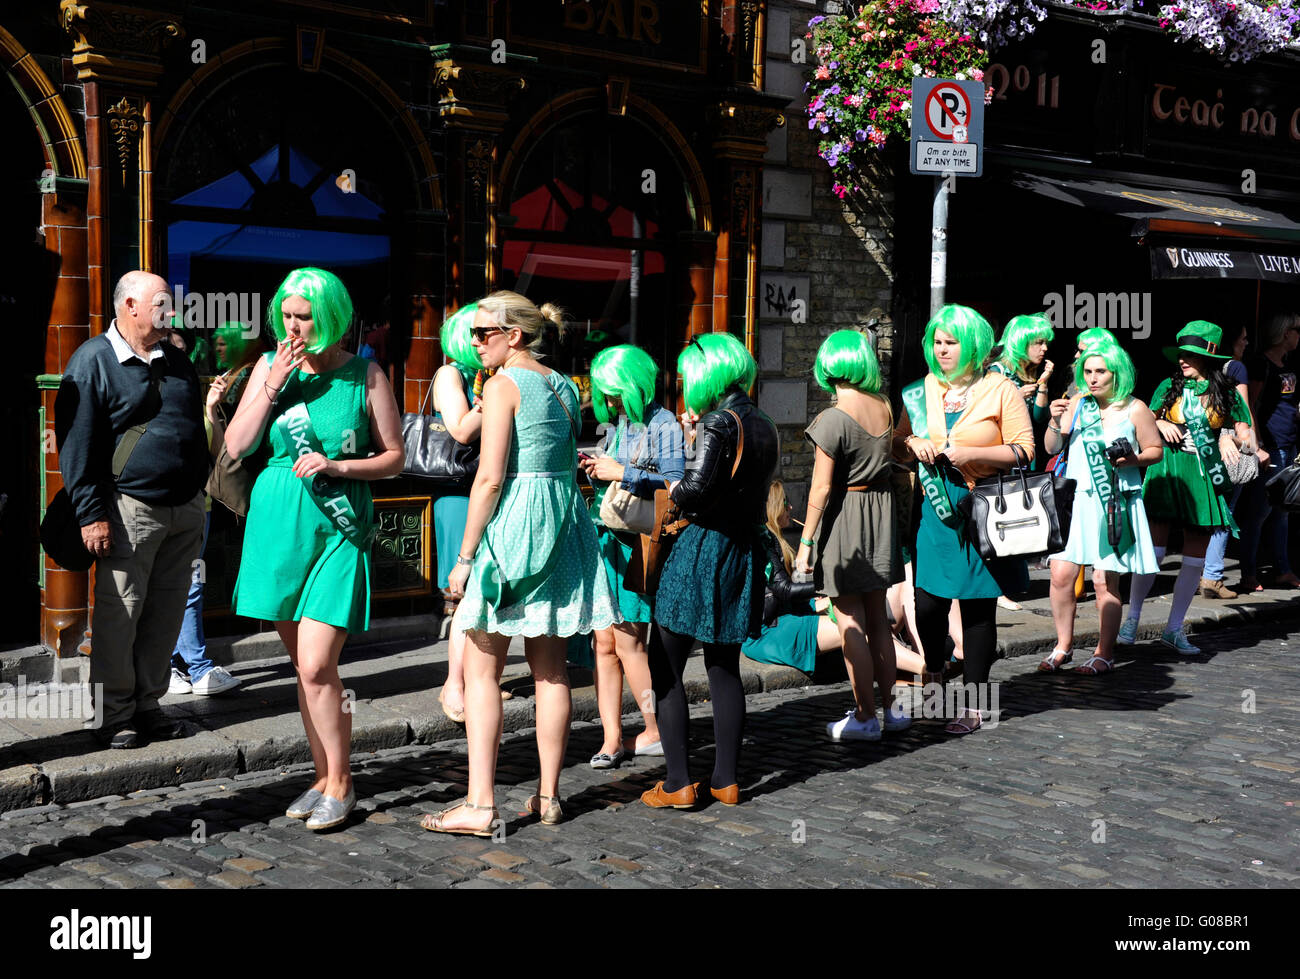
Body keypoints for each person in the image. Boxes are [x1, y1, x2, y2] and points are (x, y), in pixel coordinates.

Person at [429, 291, 618, 835]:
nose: (474, 343)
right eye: (472, 334)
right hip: (563, 523)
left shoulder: (504, 385)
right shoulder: (561, 383)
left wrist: (464, 558)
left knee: (483, 671)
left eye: (483, 333)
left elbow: (488, 478)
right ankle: (550, 796)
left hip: (516, 524)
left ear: (514, 335)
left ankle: (480, 804)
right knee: (552, 670)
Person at [225, 267, 406, 831]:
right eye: (286, 313)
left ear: (330, 318)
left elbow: (396, 458)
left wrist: (339, 465)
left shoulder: (366, 375)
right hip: (278, 525)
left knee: (317, 662)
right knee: (303, 672)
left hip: (338, 523)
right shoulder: (267, 366)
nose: (293, 325)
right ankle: (322, 775)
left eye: (304, 316)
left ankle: (344, 782)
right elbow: (235, 444)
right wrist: (273, 381)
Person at [54, 270, 209, 749]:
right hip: (127, 509)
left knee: (163, 617)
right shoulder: (92, 361)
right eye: (160, 305)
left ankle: (148, 704)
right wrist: (89, 513)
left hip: (184, 510)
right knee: (120, 617)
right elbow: (75, 446)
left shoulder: (178, 361)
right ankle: (114, 714)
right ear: (129, 307)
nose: (169, 314)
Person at [642, 332, 778, 810]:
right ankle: (726, 780)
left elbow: (695, 491)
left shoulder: (720, 420)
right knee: (723, 666)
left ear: (707, 374)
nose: (683, 384)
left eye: (687, 376)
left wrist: (669, 487)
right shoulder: (762, 421)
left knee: (665, 664)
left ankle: (678, 782)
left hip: (702, 550)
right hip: (741, 552)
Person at [894, 304, 1034, 735]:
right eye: (936, 342)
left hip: (982, 506)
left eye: (950, 342)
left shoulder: (1000, 389)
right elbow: (895, 447)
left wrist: (974, 454)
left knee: (977, 610)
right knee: (928, 605)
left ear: (971, 345)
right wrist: (912, 442)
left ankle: (976, 706)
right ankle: (934, 673)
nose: (941, 350)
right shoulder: (921, 391)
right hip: (934, 512)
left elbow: (1025, 449)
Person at [795, 329, 906, 740]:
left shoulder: (833, 419)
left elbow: (821, 488)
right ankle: (892, 710)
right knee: (878, 617)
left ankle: (864, 716)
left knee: (850, 623)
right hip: (880, 513)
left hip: (847, 517)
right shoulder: (883, 405)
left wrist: (805, 543)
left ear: (829, 364)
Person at [578, 345, 684, 768]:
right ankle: (611, 739)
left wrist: (622, 472)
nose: (612, 400)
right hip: (608, 539)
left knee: (628, 641)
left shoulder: (664, 423)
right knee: (603, 642)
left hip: (637, 546)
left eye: (616, 391)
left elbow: (676, 486)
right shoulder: (625, 423)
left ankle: (655, 729)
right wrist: (601, 465)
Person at [1119, 321, 1254, 654]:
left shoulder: (1226, 390)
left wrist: (1229, 437)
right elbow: (1141, 421)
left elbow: (1246, 434)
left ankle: (1174, 629)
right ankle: (1132, 618)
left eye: (1190, 355)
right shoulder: (1167, 385)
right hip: (1168, 470)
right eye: (1181, 353)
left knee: (1195, 557)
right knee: (1154, 551)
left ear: (1207, 357)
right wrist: (1161, 421)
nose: (1183, 360)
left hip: (1204, 473)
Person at [1042, 343, 1162, 675]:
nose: (1092, 379)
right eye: (1088, 372)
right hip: (1077, 500)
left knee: (1104, 580)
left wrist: (1132, 459)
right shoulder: (1079, 404)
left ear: (1117, 373)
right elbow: (1052, 447)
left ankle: (1103, 652)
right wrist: (1054, 420)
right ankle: (1062, 646)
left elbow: (1156, 450)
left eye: (1100, 372)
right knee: (1061, 574)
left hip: (1113, 501)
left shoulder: (1135, 408)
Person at [169, 321, 260, 698]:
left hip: (198, 504)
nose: (175, 356)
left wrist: (210, 408)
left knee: (187, 584)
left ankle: (174, 667)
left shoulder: (193, 391)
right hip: (162, 504)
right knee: (180, 586)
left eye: (180, 350)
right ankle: (194, 668)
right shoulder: (149, 391)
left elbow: (219, 452)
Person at [427, 303, 503, 723]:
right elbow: (459, 428)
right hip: (459, 491)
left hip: (481, 490)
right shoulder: (449, 374)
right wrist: (493, 398)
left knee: (484, 594)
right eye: (477, 333)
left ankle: (479, 681)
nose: (481, 340)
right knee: (464, 596)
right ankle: (453, 684)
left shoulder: (484, 378)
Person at [741, 481, 843, 672]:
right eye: (785, 502)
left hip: (784, 617)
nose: (791, 507)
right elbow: (784, 590)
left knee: (858, 620)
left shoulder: (775, 540)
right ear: (774, 507)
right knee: (855, 628)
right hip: (770, 628)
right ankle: (913, 671)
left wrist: (820, 597)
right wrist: (827, 582)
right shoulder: (764, 540)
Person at [1235, 312, 1300, 593]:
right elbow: (1251, 405)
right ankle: (1248, 573)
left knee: (1282, 512)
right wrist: (1255, 444)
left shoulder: (1288, 364)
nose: (1299, 335)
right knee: (1259, 512)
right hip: (1269, 447)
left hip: (1288, 444)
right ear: (1284, 333)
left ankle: (1282, 569)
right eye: (1296, 329)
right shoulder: (1261, 365)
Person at [1202, 323, 1253, 598]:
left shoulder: (1196, 382)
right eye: (1243, 338)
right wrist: (1252, 444)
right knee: (1225, 510)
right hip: (1226, 453)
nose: (1247, 343)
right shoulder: (1236, 369)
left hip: (1203, 453)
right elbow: (1244, 413)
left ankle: (1206, 573)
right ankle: (1211, 576)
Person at [988, 313, 1055, 461]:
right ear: (1021, 343)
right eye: (1039, 342)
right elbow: (985, 414)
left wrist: (1043, 381)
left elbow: (1039, 417)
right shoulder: (997, 371)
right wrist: (1016, 396)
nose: (1044, 348)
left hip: (1026, 453)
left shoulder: (1031, 373)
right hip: (1004, 454)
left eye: (1045, 343)